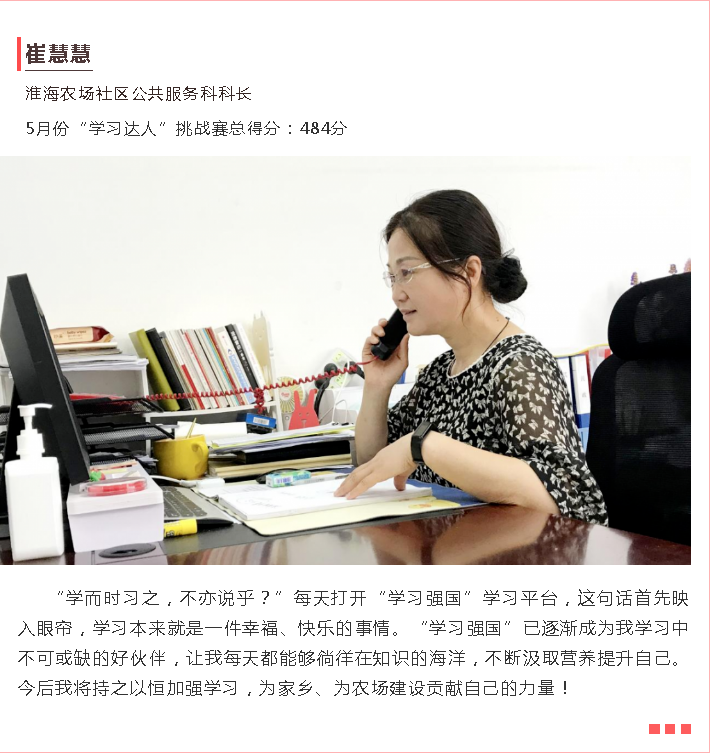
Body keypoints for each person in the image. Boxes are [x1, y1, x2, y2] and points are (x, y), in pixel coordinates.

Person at [335, 189, 607, 525]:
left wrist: (424, 447)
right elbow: (372, 466)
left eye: (407, 272)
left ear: (469, 272)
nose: (396, 294)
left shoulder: (521, 365)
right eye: (392, 277)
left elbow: (568, 498)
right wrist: (376, 386)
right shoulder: (439, 373)